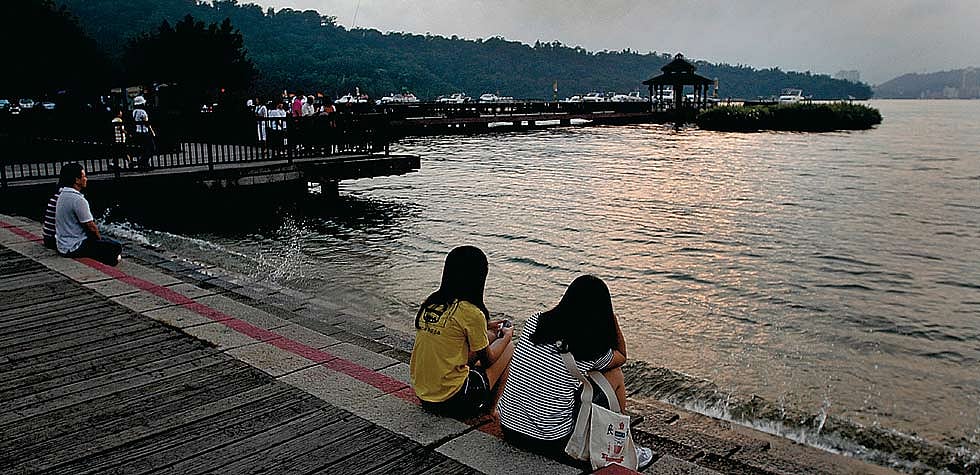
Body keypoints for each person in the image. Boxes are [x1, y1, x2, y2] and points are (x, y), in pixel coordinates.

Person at [496, 275, 653, 469]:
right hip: (550, 441)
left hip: (509, 428)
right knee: (614, 374)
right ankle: (617, 445)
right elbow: (621, 356)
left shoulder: (534, 322)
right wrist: (613, 320)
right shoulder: (590, 347)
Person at [410, 246, 515, 418]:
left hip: (425, 395)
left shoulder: (432, 303)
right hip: (454, 400)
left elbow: (453, 331)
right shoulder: (472, 312)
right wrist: (507, 336)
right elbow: (488, 361)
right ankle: (491, 409)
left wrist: (486, 327)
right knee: (508, 347)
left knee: (489, 336)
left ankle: (486, 400)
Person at [55, 163, 122, 266]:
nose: (86, 179)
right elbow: (91, 227)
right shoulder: (78, 200)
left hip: (63, 245)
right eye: (84, 176)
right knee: (116, 246)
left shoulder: (62, 195)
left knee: (106, 242)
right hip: (75, 246)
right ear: (77, 180)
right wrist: (98, 241)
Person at [131, 95, 155, 170]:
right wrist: (152, 131)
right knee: (151, 148)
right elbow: (146, 122)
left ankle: (144, 164)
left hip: (138, 131)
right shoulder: (142, 112)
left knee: (144, 149)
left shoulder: (134, 112)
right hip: (144, 132)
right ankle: (141, 162)